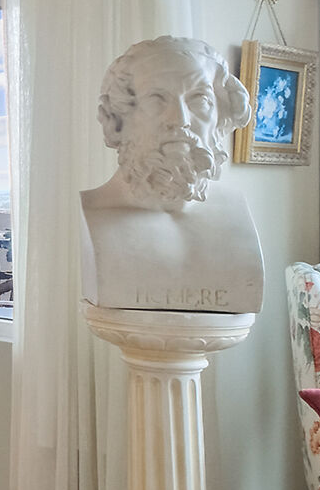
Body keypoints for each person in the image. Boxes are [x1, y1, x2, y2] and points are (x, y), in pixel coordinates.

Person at [79, 37, 263, 313]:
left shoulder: (236, 213)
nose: (180, 120)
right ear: (117, 120)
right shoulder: (97, 212)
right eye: (156, 100)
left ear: (219, 117)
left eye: (199, 100)